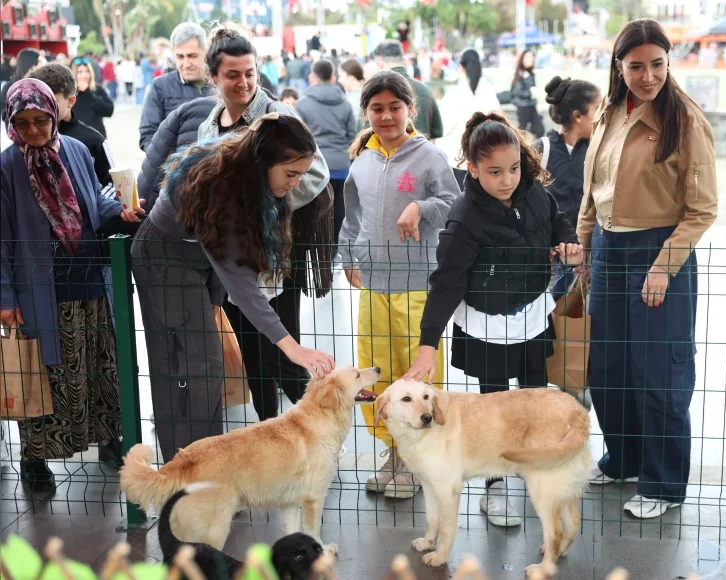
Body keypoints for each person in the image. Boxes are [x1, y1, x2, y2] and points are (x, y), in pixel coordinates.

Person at [403, 111, 580, 525]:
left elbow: (558, 222)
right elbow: (446, 284)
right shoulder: (464, 218)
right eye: (495, 172)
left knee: (537, 398)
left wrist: (567, 243)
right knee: (496, 409)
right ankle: (496, 487)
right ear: (473, 169)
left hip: (532, 315)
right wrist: (428, 345)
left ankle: (539, 470)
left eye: (514, 168)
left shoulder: (536, 194)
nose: (508, 180)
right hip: (487, 325)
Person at [131, 114, 336, 463]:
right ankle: (187, 471)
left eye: (301, 174)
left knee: (208, 367)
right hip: (165, 259)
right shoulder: (222, 188)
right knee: (192, 368)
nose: (296, 183)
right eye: (291, 174)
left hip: (196, 258)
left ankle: (205, 465)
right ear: (263, 161)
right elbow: (240, 281)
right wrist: (292, 348)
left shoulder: (246, 167)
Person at [575, 19, 718, 519]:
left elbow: (702, 209)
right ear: (619, 67)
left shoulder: (685, 119)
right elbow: (592, 191)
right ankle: (624, 461)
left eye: (657, 64)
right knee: (608, 368)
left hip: (659, 251)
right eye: (637, 66)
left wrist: (664, 266)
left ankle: (663, 484)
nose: (648, 75)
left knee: (659, 373)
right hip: (607, 250)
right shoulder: (610, 111)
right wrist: (585, 248)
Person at [0, 79, 143, 492]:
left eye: (40, 120)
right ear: (11, 123)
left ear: (53, 115)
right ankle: (35, 459)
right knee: (44, 376)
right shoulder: (8, 167)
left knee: (100, 368)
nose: (33, 130)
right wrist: (5, 296)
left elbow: (92, 202)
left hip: (91, 282)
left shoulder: (77, 150)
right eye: (22, 122)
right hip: (40, 293)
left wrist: (122, 208)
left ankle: (110, 441)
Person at [198, 23, 334, 424]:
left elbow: (316, 173)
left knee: (283, 348)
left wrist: (262, 203)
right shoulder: (208, 128)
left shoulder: (278, 116)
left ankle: (316, 428)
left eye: (250, 73)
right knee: (252, 352)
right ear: (214, 77)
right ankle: (267, 430)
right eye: (232, 75)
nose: (243, 83)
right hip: (233, 258)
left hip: (277, 252)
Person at [337, 70, 460, 499]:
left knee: (418, 376)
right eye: (377, 108)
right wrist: (348, 257)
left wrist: (420, 207)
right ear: (366, 112)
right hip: (373, 286)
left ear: (410, 109)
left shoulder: (430, 157)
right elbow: (351, 218)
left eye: (395, 107)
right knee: (378, 372)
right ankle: (395, 453)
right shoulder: (363, 161)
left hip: (418, 287)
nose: (386, 116)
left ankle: (420, 461)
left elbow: (453, 204)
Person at [536, 76, 602, 298]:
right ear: (578, 116)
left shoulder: (598, 151)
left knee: (584, 314)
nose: (602, 116)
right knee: (552, 310)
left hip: (590, 255)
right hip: (553, 257)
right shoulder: (541, 151)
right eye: (597, 109)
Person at [295, 59, 356, 253]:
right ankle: (334, 251)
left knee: (313, 212)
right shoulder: (345, 104)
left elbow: (297, 138)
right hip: (341, 167)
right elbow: (352, 136)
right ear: (333, 78)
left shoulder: (302, 105)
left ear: (312, 77)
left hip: (313, 168)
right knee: (338, 211)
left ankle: (315, 251)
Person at [27, 63, 114, 190]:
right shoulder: (27, 139)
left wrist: (93, 201)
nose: (44, 108)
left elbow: (112, 184)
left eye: (52, 102)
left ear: (71, 101)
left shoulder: (94, 141)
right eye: (39, 101)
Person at [139, 22, 211, 151]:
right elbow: (148, 135)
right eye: (180, 57)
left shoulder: (220, 83)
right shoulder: (160, 87)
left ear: (205, 52)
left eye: (192, 56)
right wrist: (171, 160)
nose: (186, 64)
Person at [437, 49, 500, 178]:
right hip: (486, 155)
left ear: (461, 67)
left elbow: (444, 127)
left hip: (459, 159)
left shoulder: (455, 93)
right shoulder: (488, 89)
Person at [372, 40, 443, 140]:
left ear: (380, 64)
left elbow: (362, 135)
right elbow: (436, 132)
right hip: (423, 149)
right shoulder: (426, 90)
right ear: (402, 60)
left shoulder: (374, 93)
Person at [69, 57, 113, 138]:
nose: (85, 75)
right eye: (80, 72)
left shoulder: (97, 90)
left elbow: (109, 111)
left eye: (87, 71)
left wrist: (88, 93)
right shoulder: (69, 93)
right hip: (76, 139)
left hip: (96, 137)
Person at [510, 50, 545, 138]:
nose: (531, 59)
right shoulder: (520, 73)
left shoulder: (530, 73)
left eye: (532, 56)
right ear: (522, 59)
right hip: (523, 106)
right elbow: (516, 91)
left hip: (531, 105)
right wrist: (530, 93)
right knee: (521, 133)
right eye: (528, 56)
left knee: (539, 130)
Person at [0, 49, 41, 123]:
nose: (41, 64)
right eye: (38, 61)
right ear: (30, 63)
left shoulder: (41, 84)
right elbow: (5, 114)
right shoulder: (10, 87)